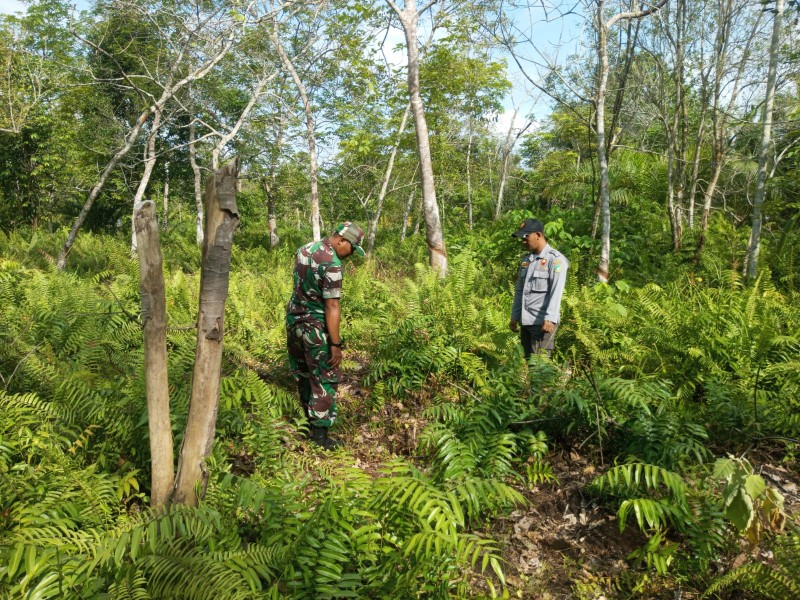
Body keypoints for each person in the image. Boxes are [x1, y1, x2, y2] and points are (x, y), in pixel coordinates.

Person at [286, 222, 365, 450]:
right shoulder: (332, 264)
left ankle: (306, 424)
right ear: (342, 241)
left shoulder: (305, 249)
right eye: (351, 249)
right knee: (324, 379)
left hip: (294, 323)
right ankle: (320, 438)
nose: (350, 255)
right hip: (315, 329)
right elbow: (331, 305)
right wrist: (335, 344)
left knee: (303, 374)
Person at [509, 218, 569, 359]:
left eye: (525, 237)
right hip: (526, 322)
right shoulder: (526, 261)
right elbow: (520, 291)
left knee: (540, 368)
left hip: (542, 324)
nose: (523, 241)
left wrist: (550, 318)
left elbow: (557, 290)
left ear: (538, 235)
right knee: (530, 365)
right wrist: (514, 316)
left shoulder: (555, 260)